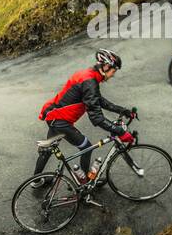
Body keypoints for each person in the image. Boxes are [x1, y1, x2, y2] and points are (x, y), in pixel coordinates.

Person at [31, 50, 135, 186]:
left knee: (48, 149)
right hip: (60, 120)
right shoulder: (90, 82)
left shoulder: (89, 77)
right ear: (106, 67)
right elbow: (96, 118)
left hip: (54, 115)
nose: (113, 75)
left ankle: (36, 181)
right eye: (113, 71)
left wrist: (122, 110)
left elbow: (98, 100)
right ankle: (85, 183)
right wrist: (120, 131)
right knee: (86, 147)